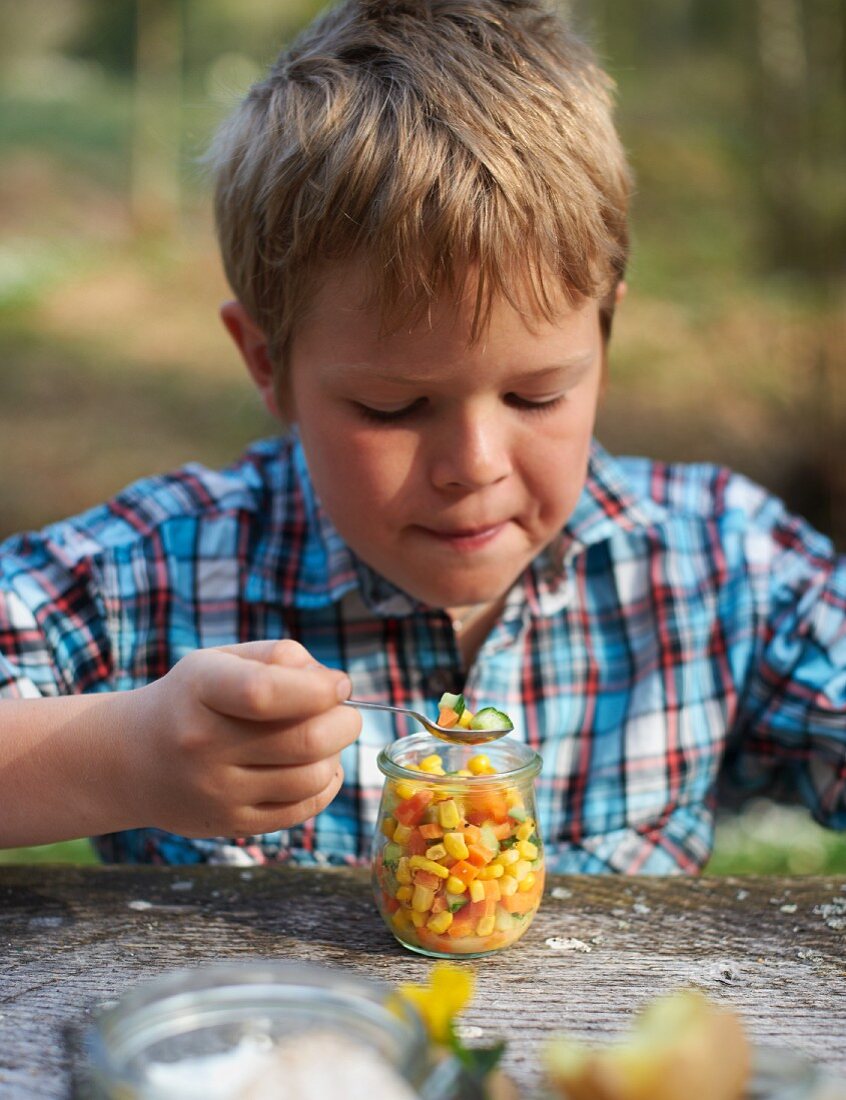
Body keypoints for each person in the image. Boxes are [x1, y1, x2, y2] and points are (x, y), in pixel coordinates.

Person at [0, 0, 843, 871]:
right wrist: (118, 755)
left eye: (537, 394)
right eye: (393, 409)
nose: (474, 467)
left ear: (604, 336)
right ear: (265, 362)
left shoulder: (726, 571)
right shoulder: (159, 573)